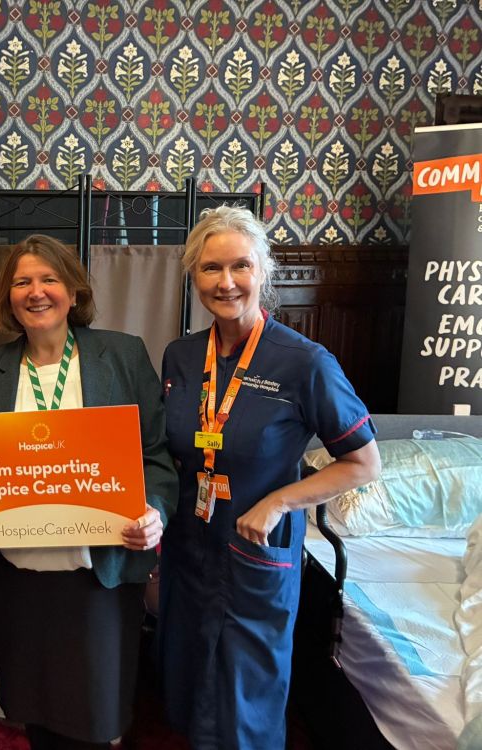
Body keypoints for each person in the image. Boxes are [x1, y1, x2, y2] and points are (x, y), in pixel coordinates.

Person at [0, 234, 178, 750]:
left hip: (98, 578)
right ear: (7, 295)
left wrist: (155, 510)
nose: (35, 292)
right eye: (22, 281)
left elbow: (155, 455)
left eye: (49, 279)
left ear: (73, 289)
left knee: (99, 721)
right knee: (34, 717)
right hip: (20, 581)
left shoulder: (122, 354)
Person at [157, 205, 380, 750]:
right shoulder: (181, 357)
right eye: (210, 269)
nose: (225, 282)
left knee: (246, 694)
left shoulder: (305, 362)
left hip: (256, 550)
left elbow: (364, 462)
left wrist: (282, 501)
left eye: (240, 266)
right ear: (193, 276)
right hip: (191, 545)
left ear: (263, 272)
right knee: (188, 679)